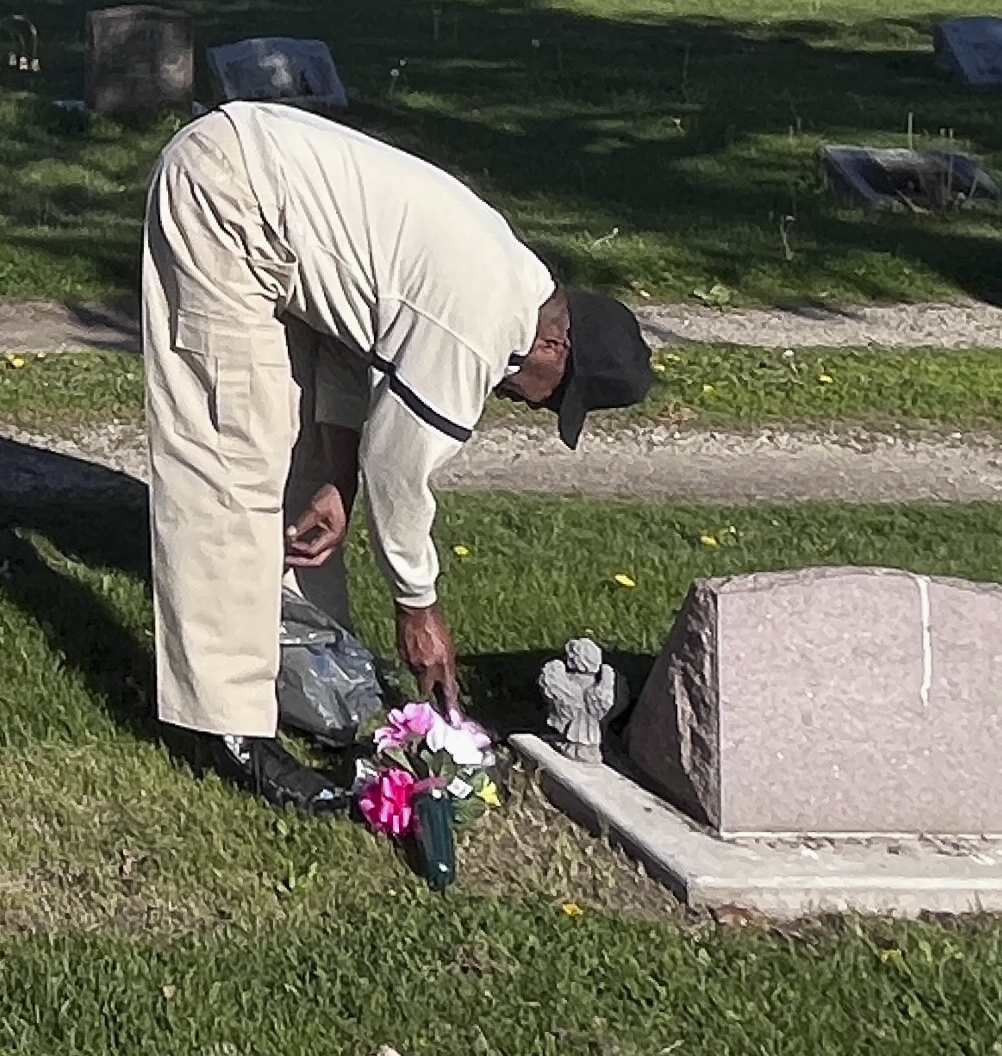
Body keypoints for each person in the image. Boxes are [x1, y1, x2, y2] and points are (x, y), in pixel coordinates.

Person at [139, 100, 652, 814]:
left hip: (261, 198)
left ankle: (303, 674)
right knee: (231, 460)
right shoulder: (481, 323)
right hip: (229, 198)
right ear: (553, 348)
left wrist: (334, 479)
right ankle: (227, 727)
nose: (532, 406)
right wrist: (418, 606)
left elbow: (358, 341)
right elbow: (399, 469)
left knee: (291, 461)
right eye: (552, 397)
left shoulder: (511, 281)